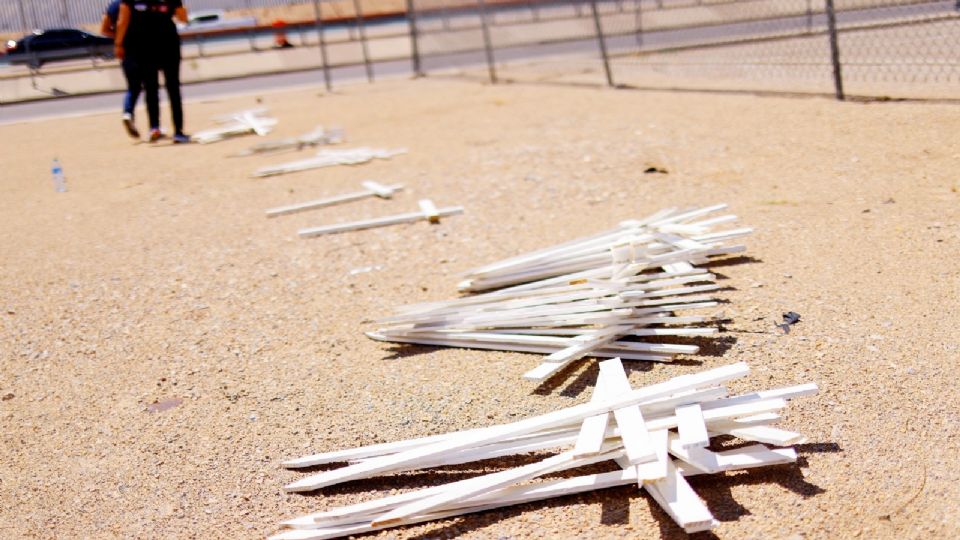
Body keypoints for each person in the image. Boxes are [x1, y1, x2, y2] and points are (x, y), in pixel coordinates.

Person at [114, 0, 190, 144]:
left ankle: (154, 127)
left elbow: (122, 21)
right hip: (168, 43)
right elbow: (183, 18)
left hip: (144, 46)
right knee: (173, 88)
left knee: (151, 88)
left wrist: (119, 44)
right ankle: (178, 132)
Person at [100, 0, 141, 139]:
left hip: (126, 50)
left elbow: (104, 29)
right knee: (151, 85)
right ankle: (155, 125)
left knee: (133, 87)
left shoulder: (113, 6)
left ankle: (128, 113)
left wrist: (119, 37)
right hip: (145, 47)